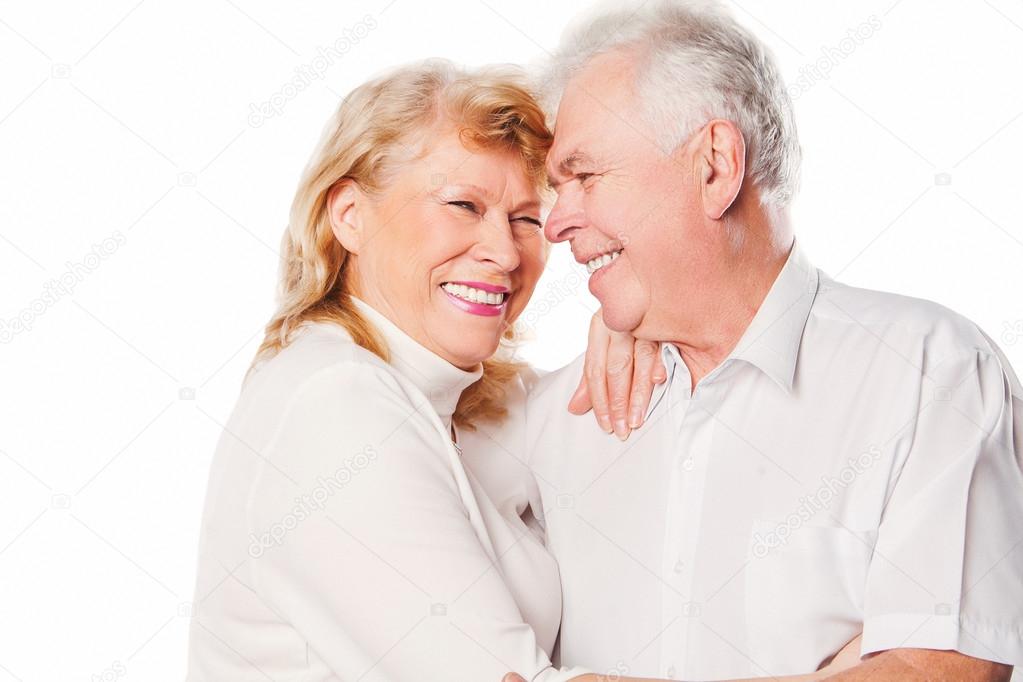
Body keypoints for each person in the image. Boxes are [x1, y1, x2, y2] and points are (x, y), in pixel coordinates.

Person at [495, 1, 1023, 680]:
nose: (555, 222)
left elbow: (939, 672)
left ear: (714, 166)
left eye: (584, 177)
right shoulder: (554, 416)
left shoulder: (928, 372)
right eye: (554, 188)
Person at [184, 58, 681, 682]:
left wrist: (631, 315)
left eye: (525, 219)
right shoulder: (337, 406)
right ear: (349, 216)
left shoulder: (445, 395)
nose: (504, 252)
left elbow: (586, 412)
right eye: (462, 205)